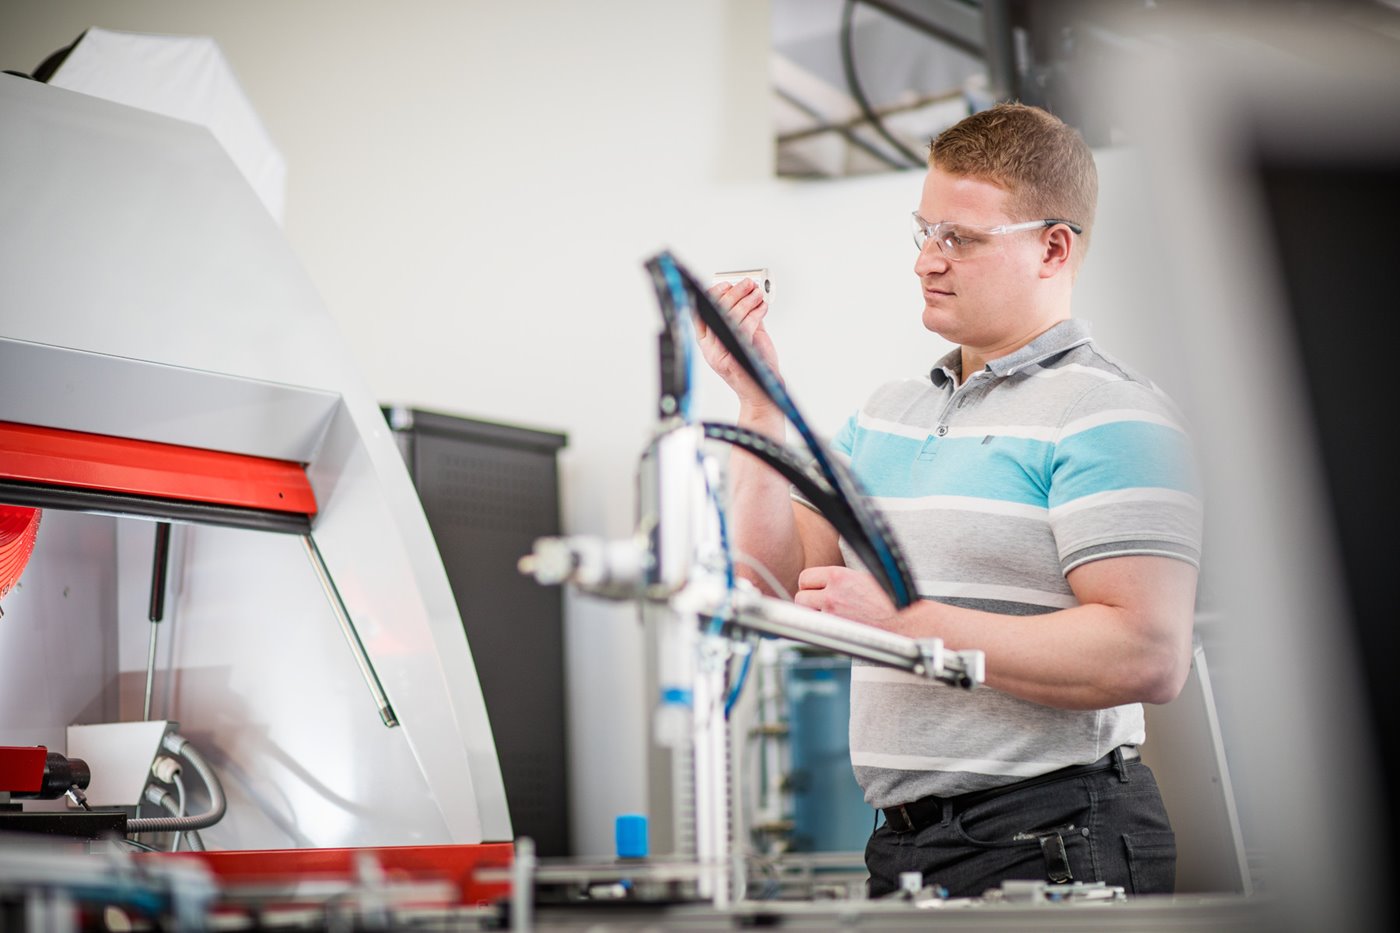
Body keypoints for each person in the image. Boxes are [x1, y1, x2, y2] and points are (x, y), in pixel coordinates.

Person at [698, 102, 1201, 898]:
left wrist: (906, 624)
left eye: (959, 238)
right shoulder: (883, 416)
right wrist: (759, 406)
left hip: (1053, 841)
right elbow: (769, 581)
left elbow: (1146, 651)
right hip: (902, 845)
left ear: (1053, 247)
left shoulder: (1111, 414)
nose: (927, 261)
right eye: (924, 232)